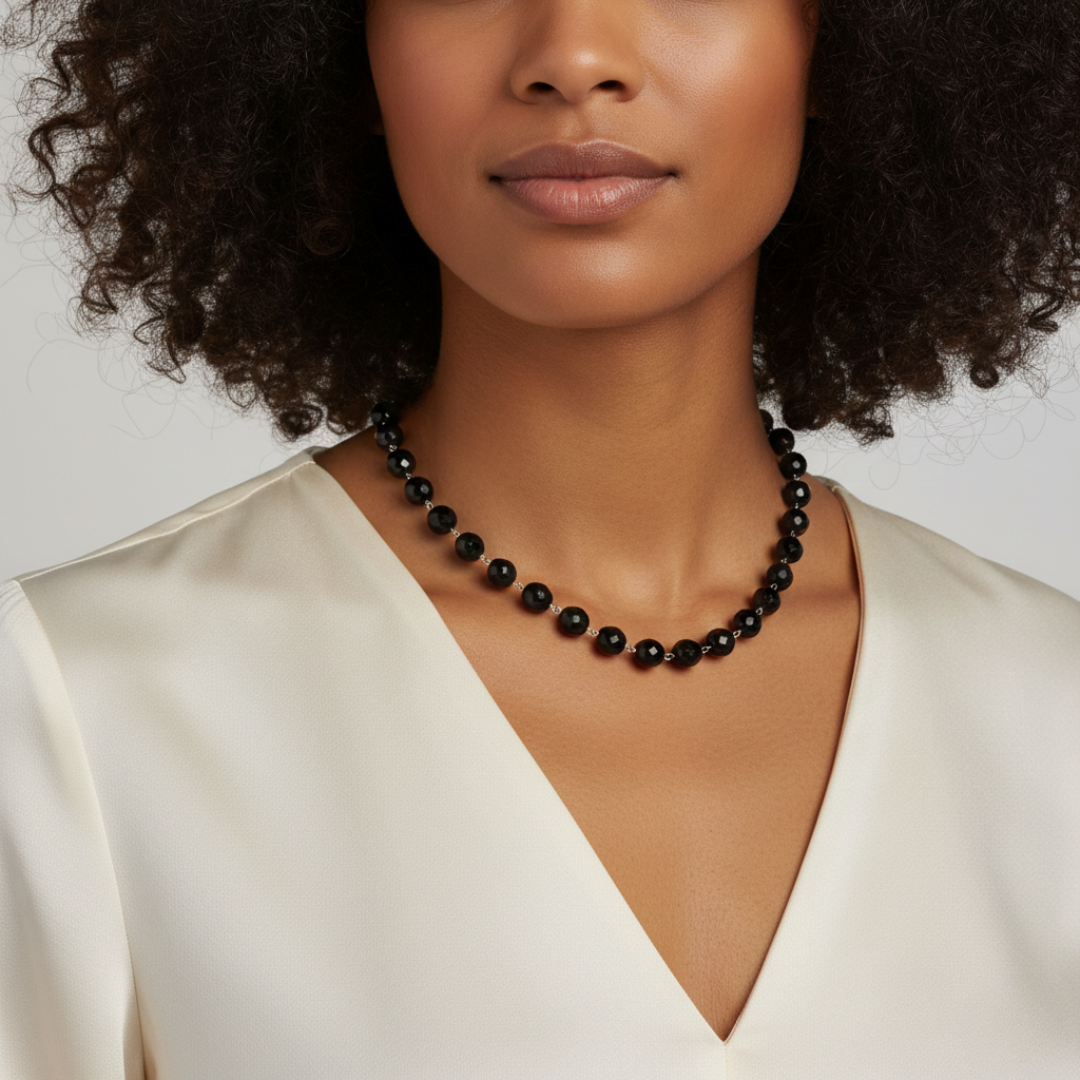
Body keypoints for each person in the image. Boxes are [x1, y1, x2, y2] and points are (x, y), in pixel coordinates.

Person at [1, 0, 1078, 1076]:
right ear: (346, 50)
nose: (573, 58)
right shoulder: (83, 710)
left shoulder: (1050, 709)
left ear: (839, 44)